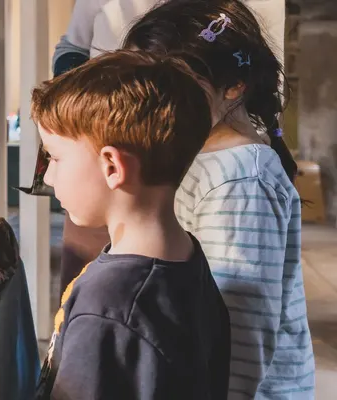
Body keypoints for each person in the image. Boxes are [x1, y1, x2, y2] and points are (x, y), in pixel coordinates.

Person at [123, 1, 312, 398]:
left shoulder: (238, 180)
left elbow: (241, 331)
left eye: (170, 83)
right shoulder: (197, 156)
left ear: (233, 87)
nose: (149, 99)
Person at [32, 50, 229, 399]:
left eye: (55, 157)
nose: (47, 175)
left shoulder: (107, 307)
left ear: (112, 166)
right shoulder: (186, 258)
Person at [49, 0, 163, 295]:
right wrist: (85, 101)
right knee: (83, 278)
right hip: (97, 142)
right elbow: (71, 48)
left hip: (163, 144)